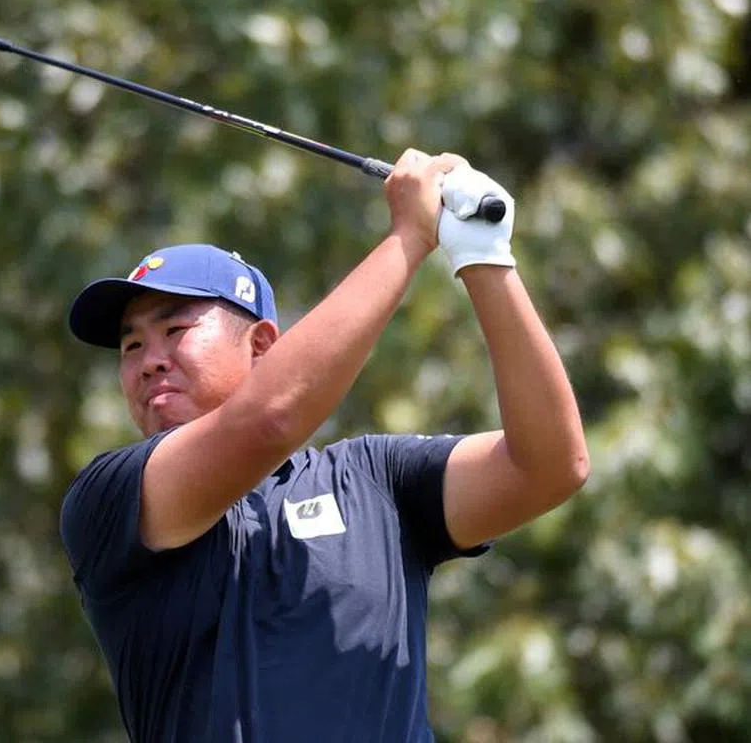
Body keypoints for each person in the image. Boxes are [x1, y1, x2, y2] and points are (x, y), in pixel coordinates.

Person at [58, 149, 589, 742]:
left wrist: (484, 257)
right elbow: (269, 421)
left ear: (261, 345)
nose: (149, 360)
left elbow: (550, 465)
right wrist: (409, 238)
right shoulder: (109, 498)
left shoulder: (376, 481)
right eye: (130, 347)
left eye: (175, 330)